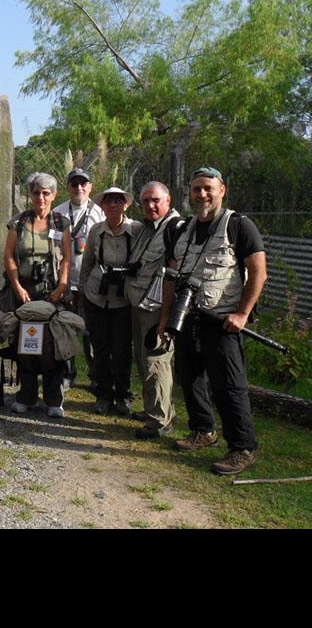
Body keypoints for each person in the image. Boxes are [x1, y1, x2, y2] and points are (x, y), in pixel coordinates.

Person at [158, 167, 267, 475]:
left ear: (222, 190)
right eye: (197, 189)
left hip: (222, 322)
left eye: (208, 188)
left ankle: (242, 448)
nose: (202, 194)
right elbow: (170, 277)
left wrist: (242, 314)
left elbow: (258, 272)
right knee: (190, 378)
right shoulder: (182, 228)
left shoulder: (239, 226)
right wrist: (166, 318)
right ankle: (203, 430)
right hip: (186, 318)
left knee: (229, 386)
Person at [1, 172, 72, 416]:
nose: (40, 197)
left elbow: (67, 258)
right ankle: (26, 396)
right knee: (25, 344)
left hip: (52, 291)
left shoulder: (61, 223)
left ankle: (54, 400)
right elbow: (8, 256)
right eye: (36, 192)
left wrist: (62, 285)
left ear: (54, 195)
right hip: (25, 291)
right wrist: (17, 286)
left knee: (53, 345)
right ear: (30, 195)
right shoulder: (19, 222)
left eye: (46, 193)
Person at [125, 181, 184, 439]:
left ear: (168, 200)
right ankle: (156, 409)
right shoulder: (146, 228)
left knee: (156, 362)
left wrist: (166, 318)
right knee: (143, 360)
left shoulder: (175, 228)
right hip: (140, 305)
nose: (150, 205)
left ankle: (159, 421)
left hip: (159, 309)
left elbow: (174, 273)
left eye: (155, 200)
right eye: (145, 201)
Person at [80, 186, 142, 415]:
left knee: (122, 349)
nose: (114, 205)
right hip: (97, 295)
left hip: (124, 298)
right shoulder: (96, 230)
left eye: (118, 200)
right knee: (100, 347)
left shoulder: (136, 229)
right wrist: (84, 291)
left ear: (125, 204)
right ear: (102, 206)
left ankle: (123, 395)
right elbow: (87, 262)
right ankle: (103, 394)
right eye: (109, 201)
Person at [54, 168, 104, 385]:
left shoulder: (100, 213)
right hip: (65, 282)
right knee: (66, 330)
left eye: (83, 183)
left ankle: (95, 376)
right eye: (74, 184)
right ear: (68, 187)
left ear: (90, 187)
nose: (79, 188)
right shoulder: (58, 213)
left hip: (92, 284)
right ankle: (67, 374)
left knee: (92, 332)